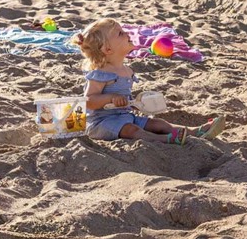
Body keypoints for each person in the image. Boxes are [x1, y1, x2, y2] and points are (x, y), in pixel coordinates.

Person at [70, 18, 225, 145]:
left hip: (124, 116)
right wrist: (111, 98)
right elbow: (89, 101)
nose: (126, 33)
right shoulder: (101, 73)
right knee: (132, 131)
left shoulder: (126, 70)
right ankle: (164, 140)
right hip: (101, 122)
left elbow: (126, 99)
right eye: (120, 33)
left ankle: (195, 131)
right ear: (108, 50)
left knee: (158, 123)